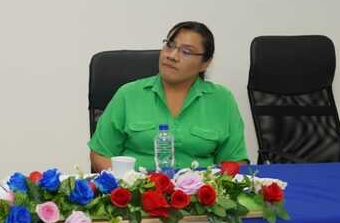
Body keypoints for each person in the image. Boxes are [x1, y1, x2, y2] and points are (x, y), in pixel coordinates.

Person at [89, 21, 248, 172]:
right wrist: (128, 184)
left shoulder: (222, 100)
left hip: (200, 194)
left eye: (186, 52)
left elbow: (235, 162)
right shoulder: (129, 94)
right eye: (170, 45)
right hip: (138, 194)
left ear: (205, 63)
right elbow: (100, 154)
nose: (171, 55)